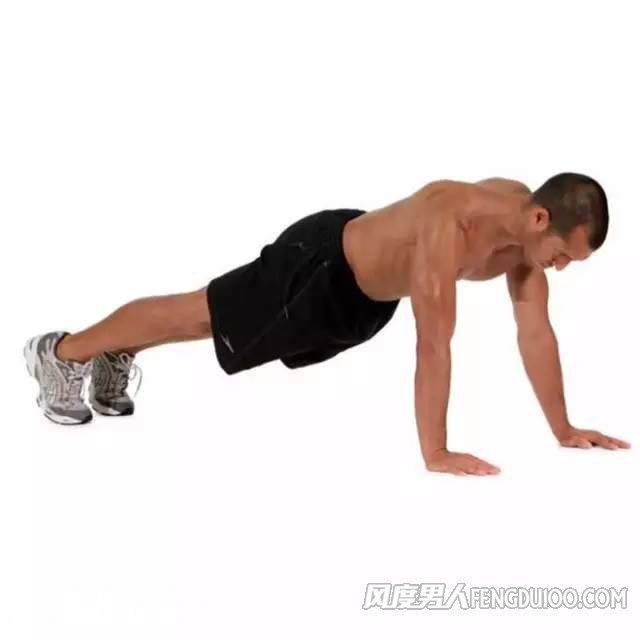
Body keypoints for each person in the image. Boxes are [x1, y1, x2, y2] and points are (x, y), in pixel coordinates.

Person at [24, 173, 630, 474]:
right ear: (540, 219)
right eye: (562, 255)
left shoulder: (524, 243)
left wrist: (564, 428)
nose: (559, 268)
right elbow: (434, 346)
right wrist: (436, 451)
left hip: (361, 301)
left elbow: (535, 334)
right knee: (199, 315)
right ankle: (63, 351)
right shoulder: (452, 225)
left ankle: (115, 353)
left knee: (208, 323)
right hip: (318, 267)